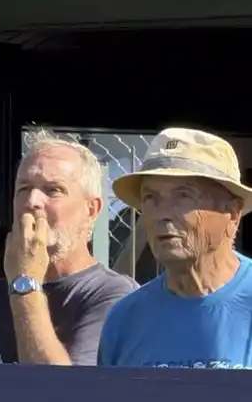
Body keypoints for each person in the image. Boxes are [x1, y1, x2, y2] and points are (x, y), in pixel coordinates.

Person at [0, 132, 135, 365]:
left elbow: (58, 392)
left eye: (53, 190)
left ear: (91, 210)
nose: (32, 201)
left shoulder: (115, 297)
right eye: (23, 189)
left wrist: (25, 281)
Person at [98, 128, 252, 368]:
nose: (162, 214)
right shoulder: (125, 319)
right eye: (150, 198)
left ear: (232, 214)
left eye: (184, 196)